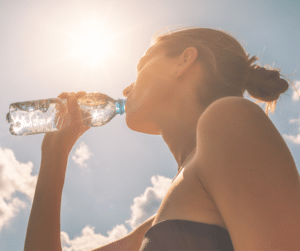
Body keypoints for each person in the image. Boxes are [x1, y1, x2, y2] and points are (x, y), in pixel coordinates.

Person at [24, 27, 300, 250]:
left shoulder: (230, 117)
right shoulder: (155, 226)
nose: (126, 87)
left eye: (141, 66)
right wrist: (54, 155)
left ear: (184, 61)